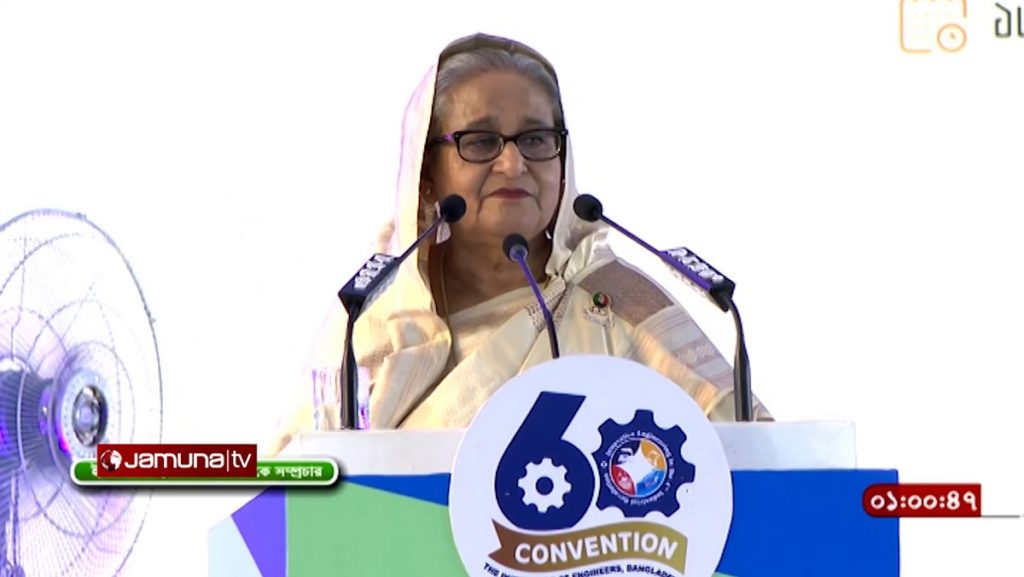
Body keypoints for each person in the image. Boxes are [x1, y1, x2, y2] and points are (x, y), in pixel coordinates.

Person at [262, 32, 770, 456]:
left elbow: (760, 457)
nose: (513, 164)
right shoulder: (370, 317)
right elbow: (293, 486)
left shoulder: (616, 303)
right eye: (481, 141)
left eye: (535, 139)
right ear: (427, 176)